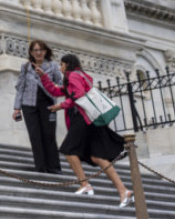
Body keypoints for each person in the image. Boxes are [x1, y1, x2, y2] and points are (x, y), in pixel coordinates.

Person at [36, 53, 132, 206]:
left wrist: (60, 106)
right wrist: (44, 77)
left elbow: (78, 95)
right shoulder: (79, 75)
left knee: (68, 150)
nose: (60, 68)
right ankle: (123, 190)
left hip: (82, 119)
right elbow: (57, 91)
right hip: (91, 120)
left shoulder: (73, 75)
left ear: (67, 64)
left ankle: (84, 184)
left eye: (61, 64)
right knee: (97, 157)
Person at [12, 40, 63, 173]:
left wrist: (44, 78)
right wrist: (17, 108)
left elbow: (61, 84)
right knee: (35, 136)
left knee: (49, 134)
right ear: (31, 52)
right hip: (29, 105)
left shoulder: (52, 66)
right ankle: (40, 167)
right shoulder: (26, 67)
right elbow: (20, 88)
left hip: (48, 105)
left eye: (41, 50)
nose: (38, 53)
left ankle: (54, 166)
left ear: (46, 51)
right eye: (35, 50)